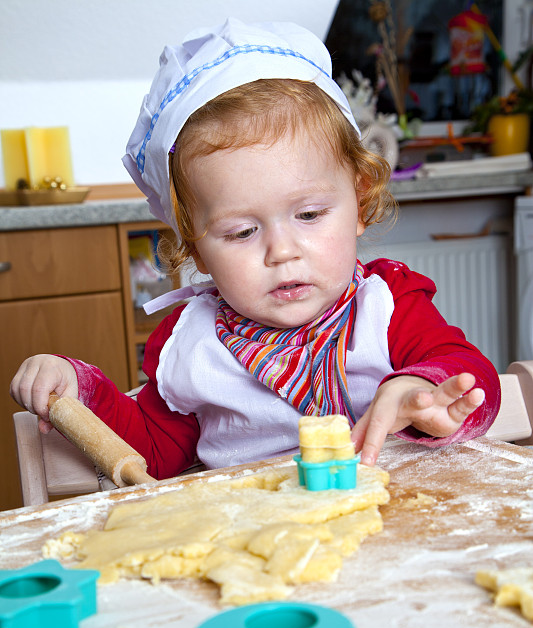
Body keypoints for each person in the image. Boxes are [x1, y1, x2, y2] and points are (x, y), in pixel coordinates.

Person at [10, 19, 500, 478]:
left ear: (360, 200)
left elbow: (470, 377)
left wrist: (424, 391)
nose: (281, 252)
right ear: (197, 251)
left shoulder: (388, 305)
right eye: (242, 232)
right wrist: (84, 391)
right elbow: (153, 456)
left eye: (308, 215)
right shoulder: (189, 346)